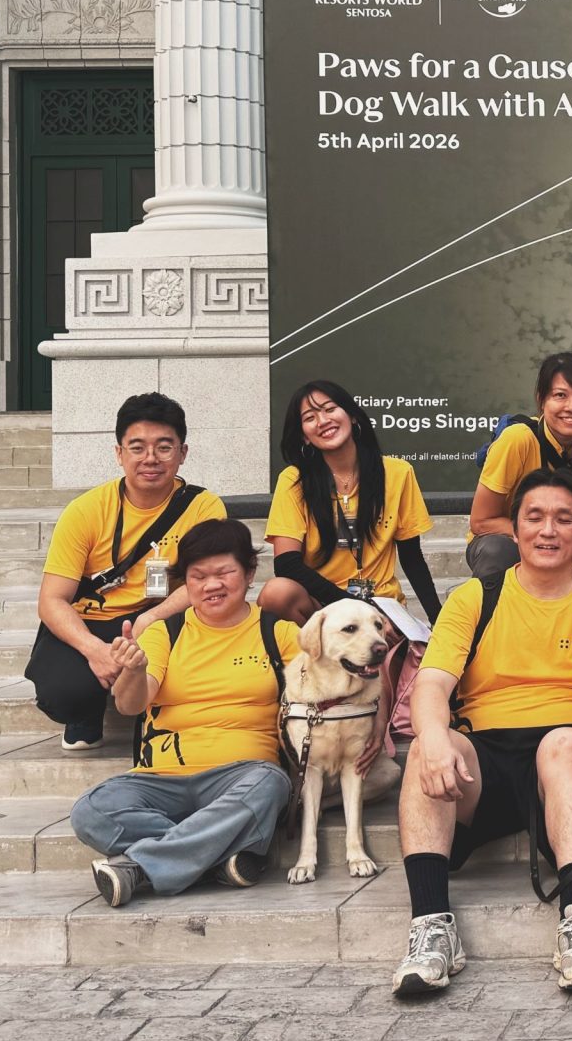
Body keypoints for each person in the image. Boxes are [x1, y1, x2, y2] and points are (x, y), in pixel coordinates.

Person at [394, 469, 572, 1000]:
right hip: (484, 756)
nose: (548, 530)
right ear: (514, 528)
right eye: (535, 517)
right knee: (426, 745)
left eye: (564, 519)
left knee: (564, 743)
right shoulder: (474, 598)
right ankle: (431, 927)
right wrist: (436, 740)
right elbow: (433, 684)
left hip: (567, 755)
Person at [76, 518, 297, 907]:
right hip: (160, 780)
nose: (212, 585)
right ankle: (216, 853)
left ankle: (139, 867)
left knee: (271, 785)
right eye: (198, 576)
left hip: (242, 776)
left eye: (224, 572)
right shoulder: (166, 632)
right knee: (91, 810)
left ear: (248, 573)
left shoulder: (279, 633)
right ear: (185, 584)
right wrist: (132, 669)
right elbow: (131, 705)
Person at [31, 392, 228, 752]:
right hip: (95, 620)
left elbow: (208, 580)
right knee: (64, 693)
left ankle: (163, 715)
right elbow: (51, 600)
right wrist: (95, 651)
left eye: (164, 447)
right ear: (119, 453)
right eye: (137, 447)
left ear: (183, 453)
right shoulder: (86, 510)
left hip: (163, 620)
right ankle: (85, 711)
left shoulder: (203, 506)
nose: (150, 458)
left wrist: (152, 617)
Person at [261, 380, 442, 630]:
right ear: (304, 436)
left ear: (353, 416)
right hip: (324, 605)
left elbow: (412, 558)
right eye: (310, 417)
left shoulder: (398, 473)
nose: (323, 421)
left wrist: (440, 624)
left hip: (382, 606)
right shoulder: (294, 480)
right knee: (275, 592)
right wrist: (354, 608)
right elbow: (286, 564)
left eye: (329, 409)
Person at [467, 352, 572, 578]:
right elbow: (481, 522)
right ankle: (491, 611)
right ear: (542, 400)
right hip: (506, 538)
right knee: (496, 551)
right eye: (560, 395)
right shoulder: (517, 439)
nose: (571, 407)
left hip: (566, 537)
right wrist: (542, 536)